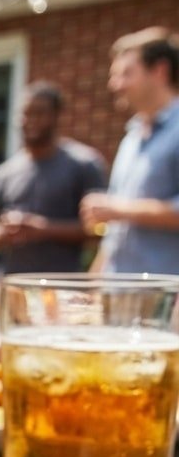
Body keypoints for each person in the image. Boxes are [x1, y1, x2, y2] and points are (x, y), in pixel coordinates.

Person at [81, 27, 179, 274]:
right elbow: (115, 233)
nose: (114, 85)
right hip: (121, 296)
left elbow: (118, 211)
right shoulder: (131, 138)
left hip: (167, 303)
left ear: (159, 71)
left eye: (126, 74)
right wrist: (92, 283)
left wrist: (118, 209)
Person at [0, 82, 107, 274]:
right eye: (25, 113)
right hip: (14, 283)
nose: (30, 120)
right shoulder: (5, 172)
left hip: (63, 285)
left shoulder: (83, 164)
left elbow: (100, 230)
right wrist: (1, 233)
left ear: (56, 116)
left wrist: (43, 229)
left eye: (39, 113)